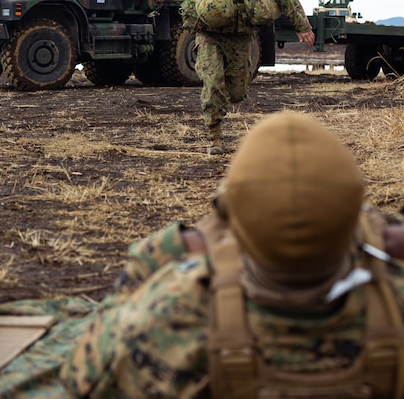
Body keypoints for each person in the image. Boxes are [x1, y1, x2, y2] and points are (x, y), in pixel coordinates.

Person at [61, 111, 404, 397]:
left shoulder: (170, 313)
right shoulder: (395, 301)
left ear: (236, 214)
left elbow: (83, 375)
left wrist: (162, 251)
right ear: (351, 213)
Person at [163, 0, 316, 155]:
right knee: (213, 84)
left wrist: (302, 25)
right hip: (207, 32)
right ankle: (214, 137)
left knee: (236, 92)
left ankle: (230, 99)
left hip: (239, 33)